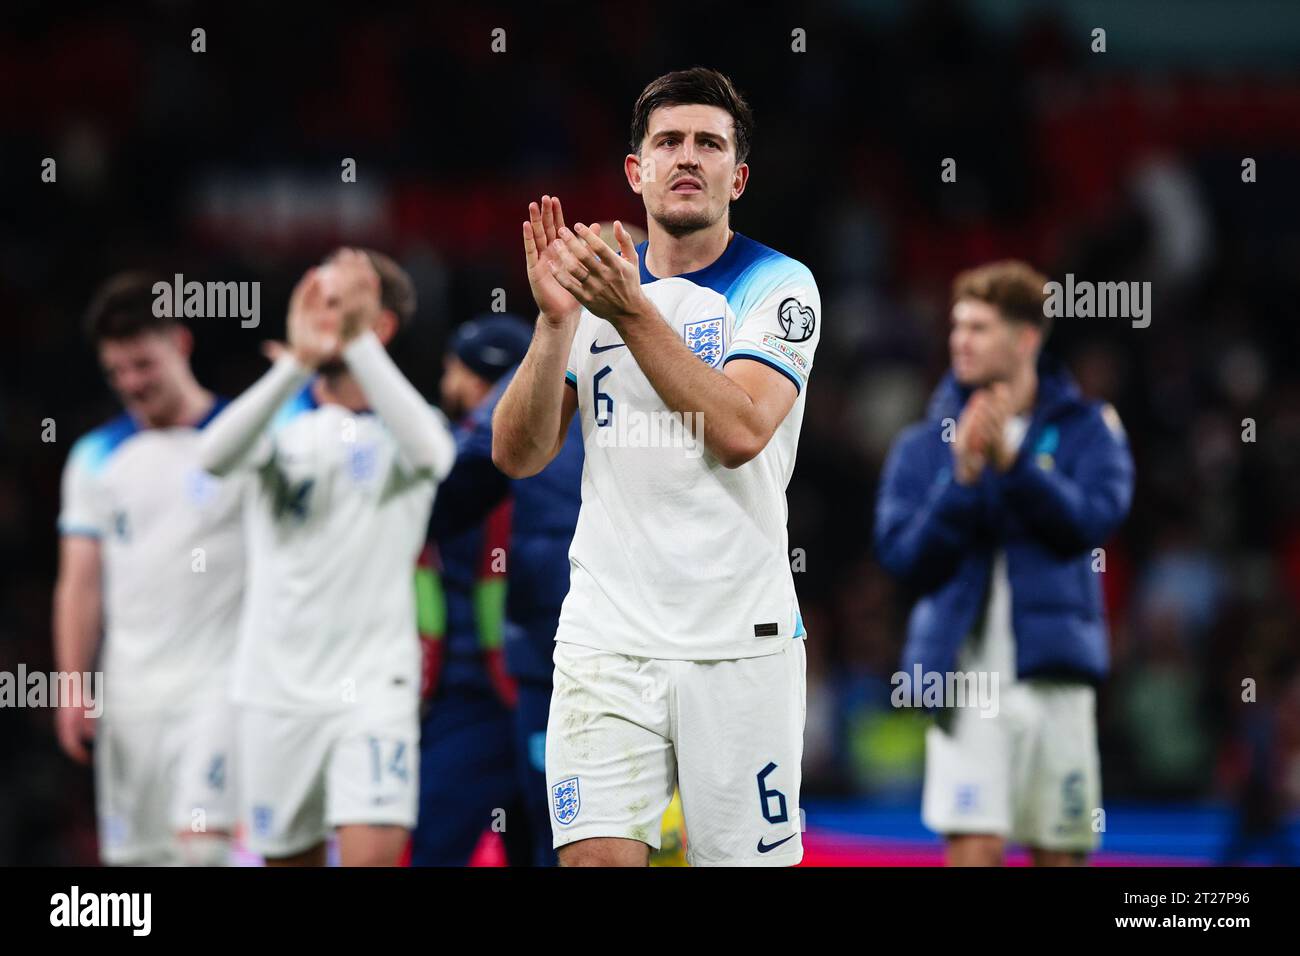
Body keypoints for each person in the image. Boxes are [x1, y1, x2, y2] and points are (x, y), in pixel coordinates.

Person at [493, 67, 820, 867]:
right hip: (608, 637)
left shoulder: (779, 286)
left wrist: (628, 308)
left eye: (709, 144)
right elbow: (519, 451)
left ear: (736, 177)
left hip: (740, 642)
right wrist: (552, 324)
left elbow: (740, 429)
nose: (687, 157)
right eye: (667, 141)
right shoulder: (593, 290)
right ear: (634, 170)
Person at [198, 248, 455, 866]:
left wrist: (354, 344)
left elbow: (436, 457)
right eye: (314, 299)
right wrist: (296, 366)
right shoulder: (282, 426)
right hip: (273, 693)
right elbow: (211, 457)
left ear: (381, 324)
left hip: (373, 692)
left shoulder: (406, 431)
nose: (320, 314)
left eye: (336, 302)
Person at [874, 260, 1135, 866]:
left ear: (1026, 339)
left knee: (1060, 850)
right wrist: (963, 480)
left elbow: (1091, 523)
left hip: (1057, 677)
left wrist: (1014, 465)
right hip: (964, 680)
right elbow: (901, 557)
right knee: (974, 846)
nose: (959, 341)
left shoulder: (1089, 429)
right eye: (956, 326)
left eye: (979, 328)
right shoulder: (924, 442)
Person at [54, 272, 245, 865]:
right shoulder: (94, 457)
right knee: (137, 867)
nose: (131, 384)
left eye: (143, 364)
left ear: (179, 343)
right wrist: (72, 687)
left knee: (203, 854)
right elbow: (79, 584)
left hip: (220, 692)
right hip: (130, 701)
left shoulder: (244, 439)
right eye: (117, 372)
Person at [410, 315, 533, 866]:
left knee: (434, 851)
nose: (446, 382)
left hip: (473, 697)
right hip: (534, 686)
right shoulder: (568, 450)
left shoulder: (454, 465)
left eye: (452, 369)